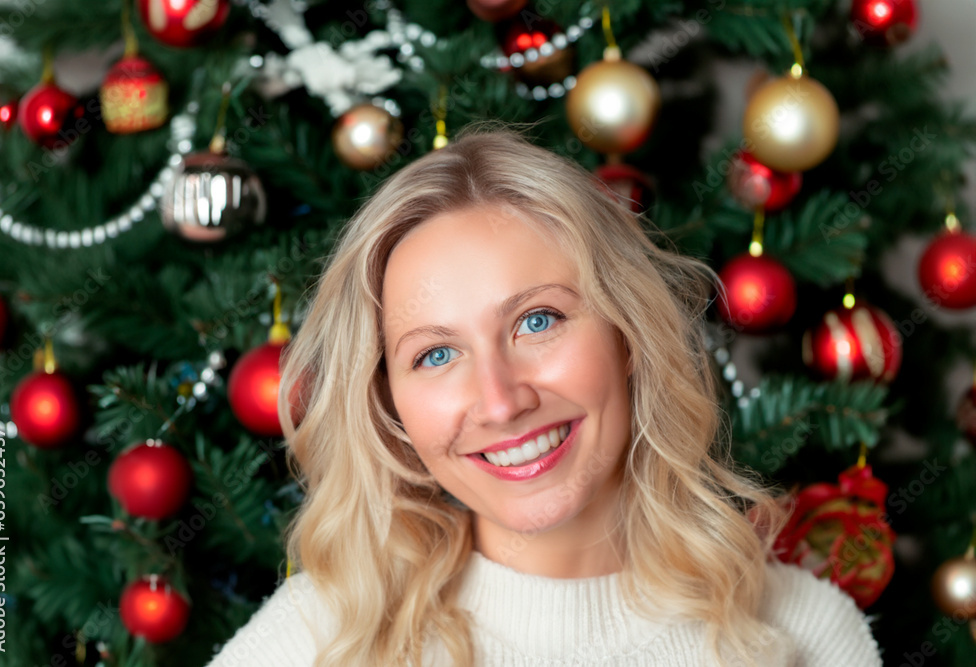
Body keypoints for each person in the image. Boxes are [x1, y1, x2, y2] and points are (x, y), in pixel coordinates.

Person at [205, 124, 883, 667]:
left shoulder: (804, 635)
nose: (500, 402)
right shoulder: (319, 637)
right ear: (390, 408)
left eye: (538, 320)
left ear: (629, 333)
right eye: (435, 354)